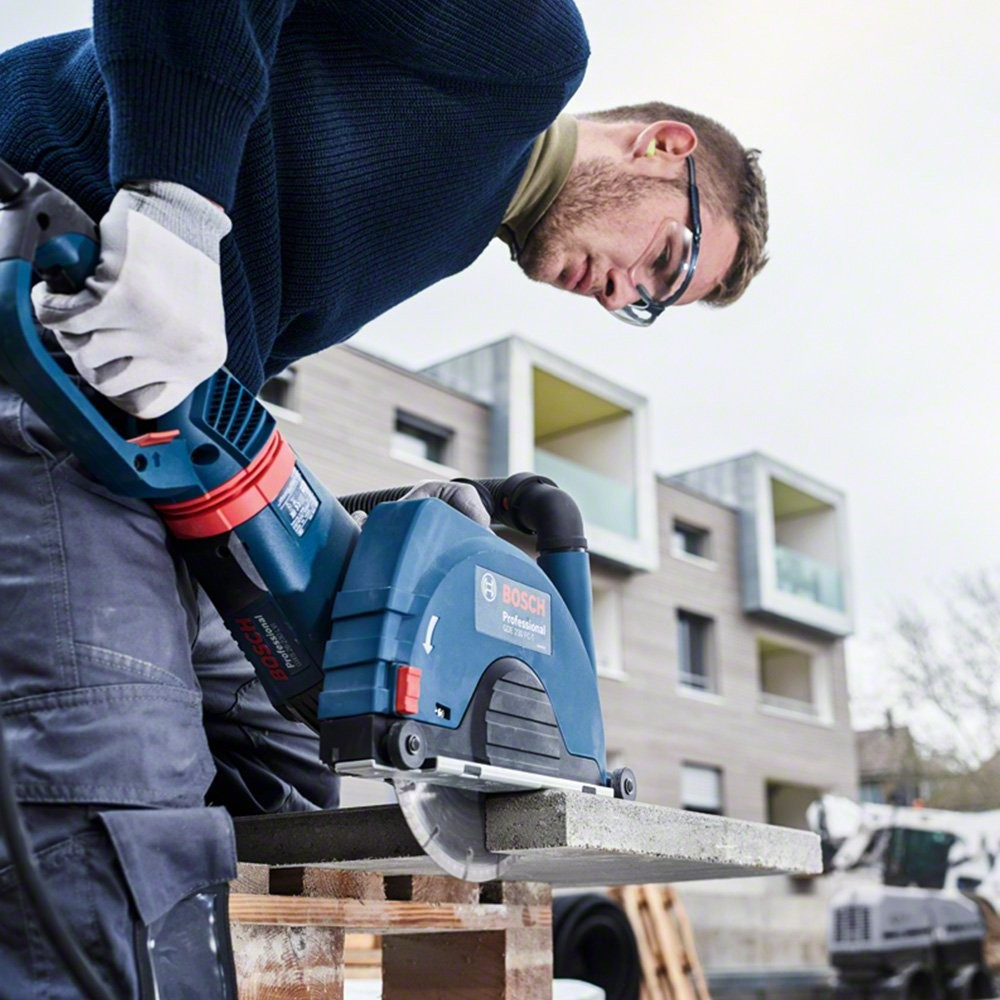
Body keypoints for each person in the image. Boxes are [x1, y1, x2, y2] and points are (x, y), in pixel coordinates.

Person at [0, 1, 769, 996]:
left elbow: (215, 371)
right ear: (663, 147)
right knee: (115, 792)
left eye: (651, 305)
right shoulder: (530, 49)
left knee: (288, 759)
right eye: (665, 259)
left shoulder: (452, 225)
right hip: (40, 322)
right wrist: (174, 205)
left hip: (129, 433)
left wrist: (371, 543)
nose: (627, 293)